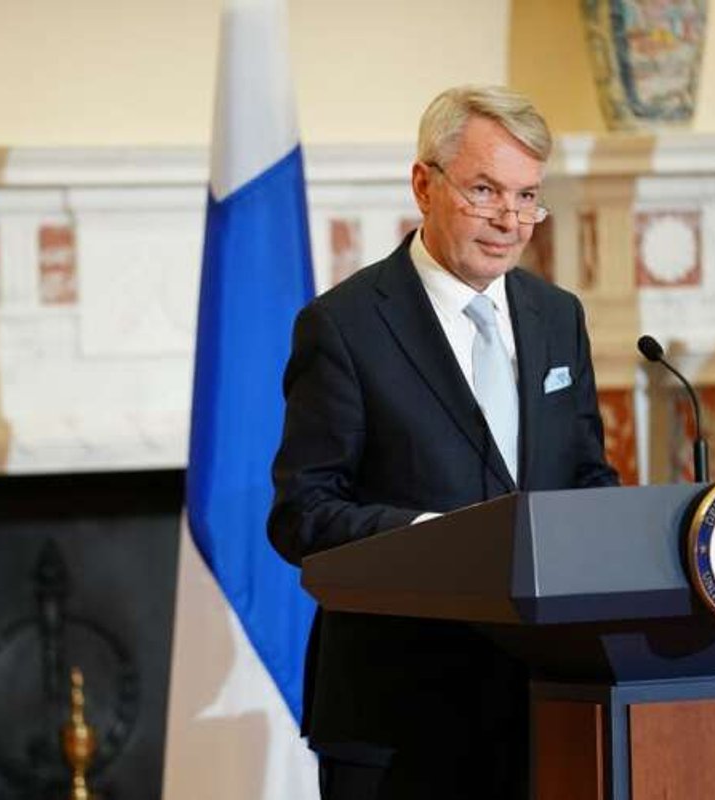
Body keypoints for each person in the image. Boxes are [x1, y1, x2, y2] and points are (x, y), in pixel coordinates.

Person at [267, 85, 620, 799]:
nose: (509, 221)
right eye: (485, 190)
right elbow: (303, 514)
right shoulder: (345, 326)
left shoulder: (557, 316)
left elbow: (587, 478)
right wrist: (436, 541)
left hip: (549, 702)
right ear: (423, 184)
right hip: (398, 713)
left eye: (527, 197)